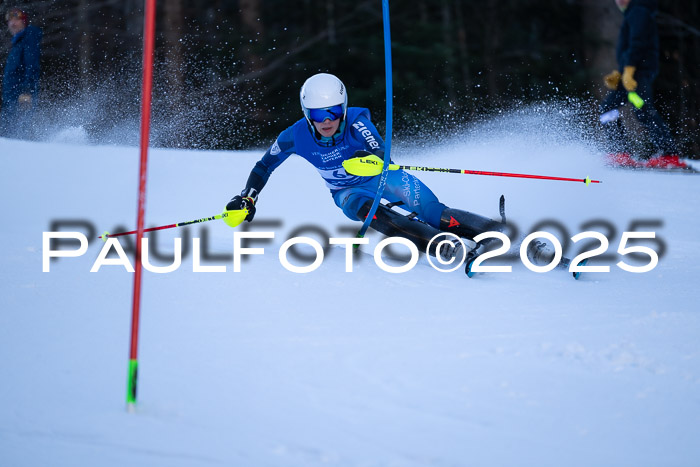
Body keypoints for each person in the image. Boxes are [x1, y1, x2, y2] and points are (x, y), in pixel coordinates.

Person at [225, 73, 517, 273]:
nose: (326, 121)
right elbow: (264, 165)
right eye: (317, 115)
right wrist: (248, 197)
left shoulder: (356, 122)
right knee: (371, 211)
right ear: (306, 114)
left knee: (433, 212)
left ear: (344, 106)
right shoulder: (294, 136)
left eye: (333, 111)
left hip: (381, 175)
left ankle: (497, 233)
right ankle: (446, 247)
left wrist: (370, 158)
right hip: (347, 192)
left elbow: (381, 152)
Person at [599, 0, 686, 169]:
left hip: (637, 73)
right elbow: (631, 46)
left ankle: (668, 155)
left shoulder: (639, 11)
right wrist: (621, 72)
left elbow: (638, 43)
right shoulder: (634, 12)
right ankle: (621, 152)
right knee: (611, 108)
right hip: (632, 73)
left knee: (642, 110)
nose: (618, 1)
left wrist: (630, 70)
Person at [1, 7, 42, 139]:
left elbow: (32, 64)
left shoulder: (28, 37)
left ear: (24, 22)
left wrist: (27, 90)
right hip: (11, 97)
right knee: (9, 133)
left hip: (21, 96)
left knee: (18, 134)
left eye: (16, 20)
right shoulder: (18, 42)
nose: (12, 23)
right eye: (10, 21)